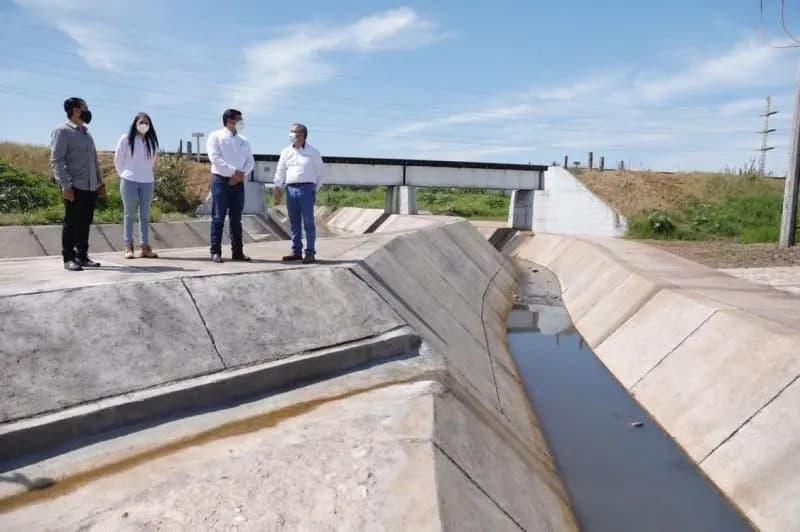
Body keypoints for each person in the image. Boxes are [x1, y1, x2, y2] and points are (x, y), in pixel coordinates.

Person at [50, 97, 106, 272]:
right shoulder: (62, 131)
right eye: (85, 108)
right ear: (75, 110)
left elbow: (94, 161)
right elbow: (57, 160)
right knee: (71, 222)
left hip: (90, 186)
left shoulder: (87, 134)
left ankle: (82, 256)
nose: (88, 111)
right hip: (74, 186)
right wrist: (65, 185)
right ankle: (69, 258)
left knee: (85, 222)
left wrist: (100, 182)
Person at [206, 109, 255, 263]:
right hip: (221, 180)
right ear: (229, 121)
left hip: (238, 183)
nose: (242, 122)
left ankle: (238, 252)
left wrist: (241, 175)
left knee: (236, 219)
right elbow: (215, 158)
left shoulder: (244, 141)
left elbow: (250, 161)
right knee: (218, 217)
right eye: (239, 119)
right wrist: (233, 172)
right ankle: (216, 252)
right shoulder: (215, 136)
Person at [274, 123, 325, 264]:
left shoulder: (313, 152)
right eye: (290, 132)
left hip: (307, 189)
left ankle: (310, 253)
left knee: (308, 222)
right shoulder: (286, 152)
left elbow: (321, 174)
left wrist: (313, 190)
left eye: (294, 132)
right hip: (290, 190)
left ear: (302, 135)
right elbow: (280, 170)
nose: (291, 134)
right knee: (294, 222)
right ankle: (296, 251)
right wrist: (277, 186)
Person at [114, 112, 160, 259]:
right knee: (129, 214)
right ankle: (129, 246)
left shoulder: (152, 142)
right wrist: (125, 175)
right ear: (135, 123)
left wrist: (144, 174)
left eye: (146, 123)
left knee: (145, 215)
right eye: (141, 122)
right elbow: (118, 159)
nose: (144, 125)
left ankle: (145, 247)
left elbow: (151, 162)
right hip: (129, 181)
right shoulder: (126, 139)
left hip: (147, 181)